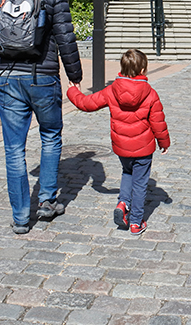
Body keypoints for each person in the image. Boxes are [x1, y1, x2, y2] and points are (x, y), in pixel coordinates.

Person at [0, 0, 83, 235]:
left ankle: (21, 217)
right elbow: (65, 35)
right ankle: (48, 201)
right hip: (43, 75)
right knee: (50, 136)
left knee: (14, 149)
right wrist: (74, 74)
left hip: (7, 77)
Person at [67, 49, 170, 234]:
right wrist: (164, 142)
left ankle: (123, 203)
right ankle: (136, 222)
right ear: (144, 69)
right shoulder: (150, 94)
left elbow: (87, 104)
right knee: (140, 184)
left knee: (127, 172)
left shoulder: (112, 90)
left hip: (121, 147)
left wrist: (72, 91)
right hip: (143, 149)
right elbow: (158, 122)